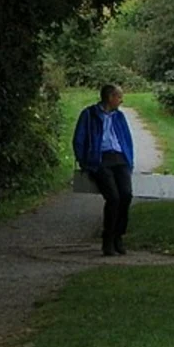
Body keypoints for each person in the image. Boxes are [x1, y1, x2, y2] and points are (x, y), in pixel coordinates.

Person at [73, 83, 136, 256]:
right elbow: (79, 139)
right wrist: (85, 163)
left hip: (119, 158)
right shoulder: (89, 115)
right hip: (100, 159)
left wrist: (129, 159)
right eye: (119, 96)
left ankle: (118, 236)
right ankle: (108, 239)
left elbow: (126, 139)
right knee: (113, 198)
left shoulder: (119, 117)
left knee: (126, 194)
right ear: (110, 97)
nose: (121, 100)